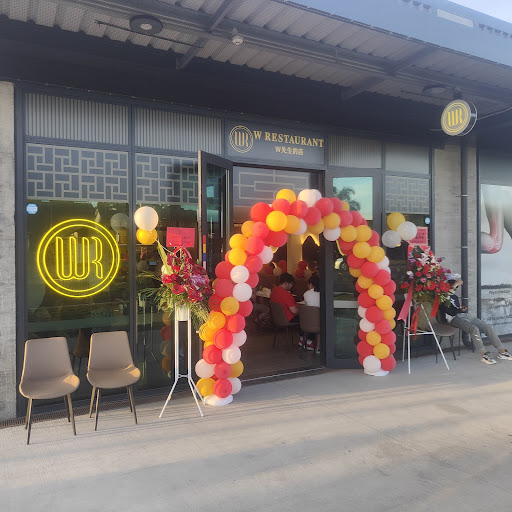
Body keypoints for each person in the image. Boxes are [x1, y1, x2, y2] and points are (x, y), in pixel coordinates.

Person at [438, 274, 512, 365]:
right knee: (474, 329)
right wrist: (456, 283)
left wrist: (461, 309)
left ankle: (502, 350)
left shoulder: (454, 297)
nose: (455, 288)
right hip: (453, 319)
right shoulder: (442, 296)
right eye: (454, 286)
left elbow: (454, 308)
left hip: (464, 315)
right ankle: (484, 353)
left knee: (487, 327)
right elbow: (447, 305)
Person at [302, 274, 320, 353]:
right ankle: (318, 347)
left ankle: (306, 343)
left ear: (311, 284)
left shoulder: (306, 294)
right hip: (319, 324)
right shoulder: (323, 294)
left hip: (307, 323)